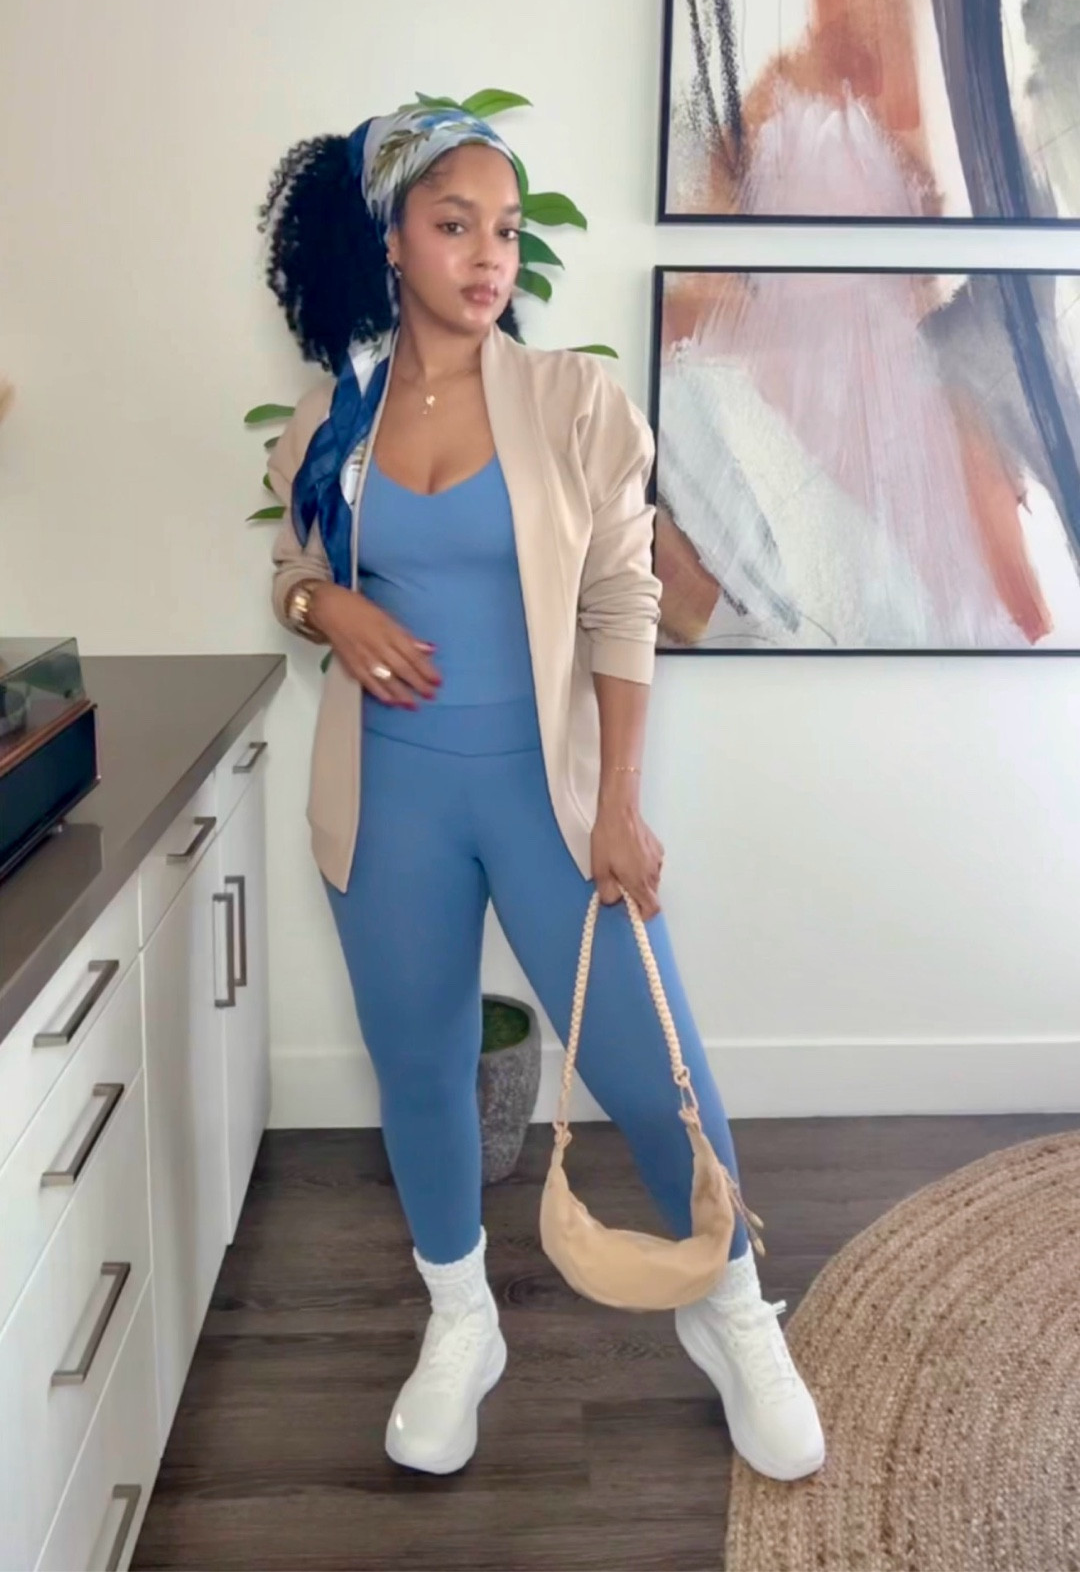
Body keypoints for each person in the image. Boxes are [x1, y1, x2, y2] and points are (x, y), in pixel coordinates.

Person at [260, 101, 825, 1485]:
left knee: (650, 1064)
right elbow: (292, 573)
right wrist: (327, 604)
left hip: (548, 802)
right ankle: (462, 1319)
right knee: (419, 1069)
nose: (488, 257)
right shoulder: (332, 421)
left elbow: (626, 603)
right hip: (388, 802)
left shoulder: (573, 403)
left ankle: (733, 1308)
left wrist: (621, 802)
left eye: (505, 231)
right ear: (390, 240)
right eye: (454, 225)